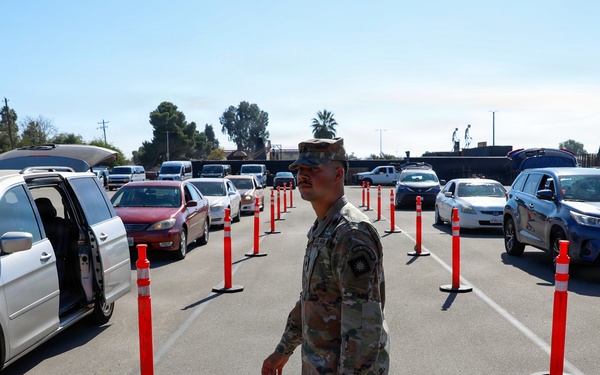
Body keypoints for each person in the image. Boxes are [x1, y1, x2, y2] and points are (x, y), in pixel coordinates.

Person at [261, 138, 389, 375]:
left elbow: (362, 329)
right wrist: (283, 349)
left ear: (338, 174)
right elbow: (312, 299)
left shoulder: (351, 233)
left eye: (313, 169)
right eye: (300, 169)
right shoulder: (325, 226)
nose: (302, 175)